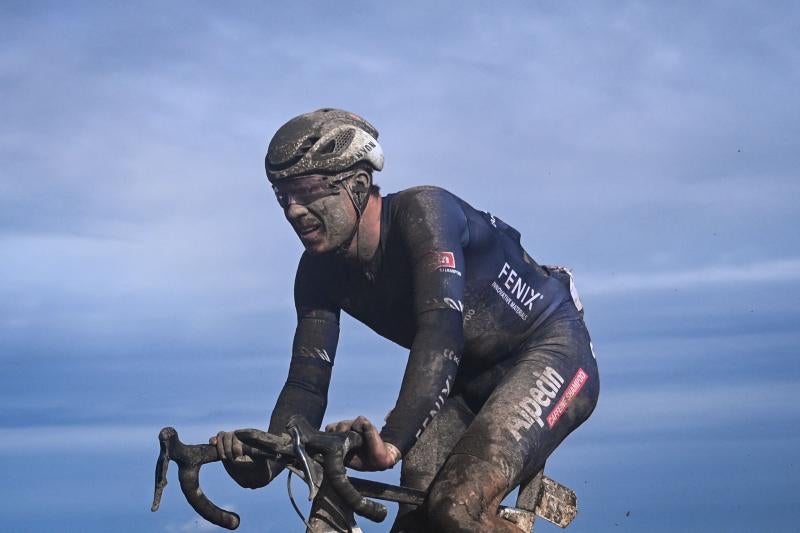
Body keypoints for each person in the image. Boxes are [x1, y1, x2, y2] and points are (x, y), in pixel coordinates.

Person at [210, 108, 599, 532]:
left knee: (456, 509)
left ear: (357, 185)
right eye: (282, 195)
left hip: (549, 354)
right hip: (464, 384)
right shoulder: (316, 272)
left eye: (308, 191)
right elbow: (306, 385)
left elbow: (440, 334)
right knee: (416, 525)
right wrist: (260, 458)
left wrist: (392, 443)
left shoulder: (425, 213)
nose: (294, 211)